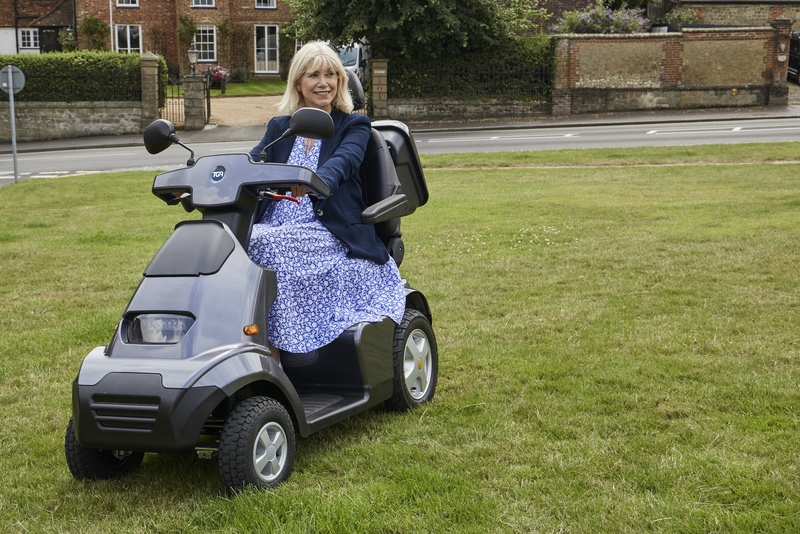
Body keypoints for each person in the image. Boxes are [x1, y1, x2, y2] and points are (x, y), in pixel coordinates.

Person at [248, 41, 406, 363]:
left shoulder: (354, 125)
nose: (324, 83)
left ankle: (272, 359)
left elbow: (343, 163)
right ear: (298, 84)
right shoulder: (280, 127)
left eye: (331, 74)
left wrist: (314, 182)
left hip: (328, 230)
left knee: (260, 243)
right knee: (224, 240)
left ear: (341, 81)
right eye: (314, 75)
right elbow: (252, 165)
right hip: (276, 226)